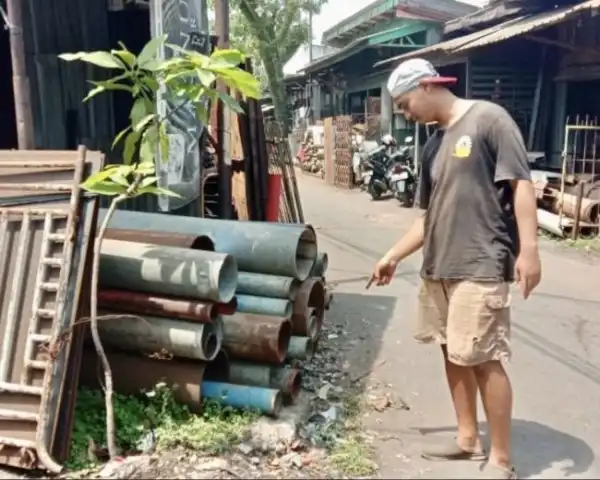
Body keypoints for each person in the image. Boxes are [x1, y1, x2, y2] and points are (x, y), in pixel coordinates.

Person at [370, 58, 541, 480]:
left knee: (484, 358)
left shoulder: (489, 120)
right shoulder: (433, 145)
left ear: (428, 86)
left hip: (481, 262)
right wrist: (392, 256)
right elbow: (426, 219)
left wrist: (531, 249)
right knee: (452, 352)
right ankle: (467, 438)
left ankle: (501, 458)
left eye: (406, 103)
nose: (406, 113)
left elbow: (521, 183)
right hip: (439, 267)